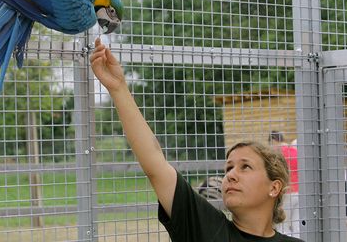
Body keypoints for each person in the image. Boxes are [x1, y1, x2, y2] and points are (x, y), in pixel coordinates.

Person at [90, 38, 304, 241]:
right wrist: (118, 88)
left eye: (245, 166)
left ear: (274, 187)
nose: (230, 176)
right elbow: (155, 164)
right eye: (228, 168)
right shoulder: (206, 229)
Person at [268, 131, 300, 238]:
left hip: (287, 192)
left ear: (274, 141)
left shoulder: (277, 154)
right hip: (299, 191)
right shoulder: (295, 151)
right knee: (297, 224)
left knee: (283, 224)